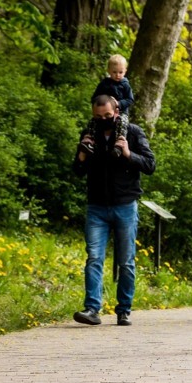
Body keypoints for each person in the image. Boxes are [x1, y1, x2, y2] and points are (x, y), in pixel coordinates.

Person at [72, 95, 156, 326]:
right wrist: (81, 157)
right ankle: (91, 309)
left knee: (126, 262)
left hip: (125, 205)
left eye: (107, 116)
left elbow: (150, 164)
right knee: (94, 258)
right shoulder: (89, 133)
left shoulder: (133, 132)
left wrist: (129, 154)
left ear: (116, 111)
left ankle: (124, 310)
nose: (103, 120)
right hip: (96, 206)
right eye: (98, 117)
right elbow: (77, 171)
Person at [89, 54, 135, 157]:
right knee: (92, 122)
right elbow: (94, 98)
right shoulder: (104, 84)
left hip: (121, 112)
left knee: (122, 123)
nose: (118, 75)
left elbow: (130, 99)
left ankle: (119, 144)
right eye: (114, 72)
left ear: (125, 71)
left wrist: (118, 103)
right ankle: (90, 142)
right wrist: (103, 101)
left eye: (121, 72)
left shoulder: (125, 85)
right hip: (104, 112)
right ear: (109, 71)